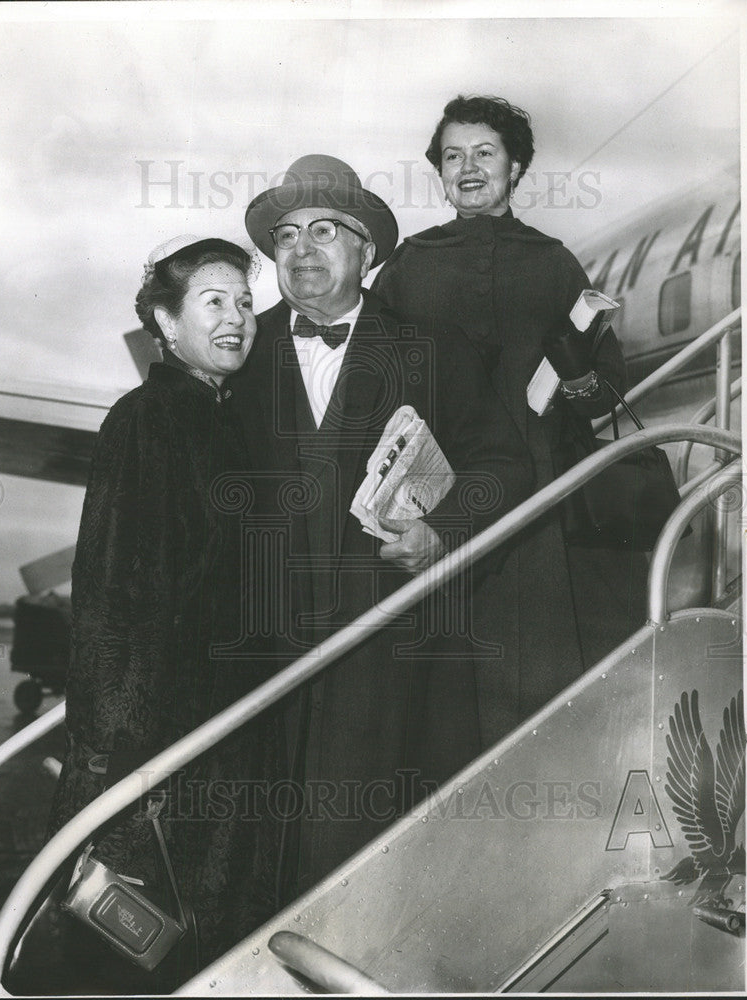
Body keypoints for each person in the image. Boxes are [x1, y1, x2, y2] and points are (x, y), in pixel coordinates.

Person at [238, 154, 533, 898]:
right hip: (258, 665)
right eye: (286, 235)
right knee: (255, 871)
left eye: (325, 231)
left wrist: (445, 531)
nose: (302, 250)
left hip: (392, 664)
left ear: (366, 250)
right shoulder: (237, 355)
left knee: (376, 879)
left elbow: (506, 462)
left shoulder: (432, 349)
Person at [21, 236, 283, 995]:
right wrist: (111, 767)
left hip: (222, 744)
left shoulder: (223, 419)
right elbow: (113, 602)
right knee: (145, 950)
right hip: (165, 752)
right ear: (164, 323)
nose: (235, 317)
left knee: (196, 947)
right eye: (213, 301)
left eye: (243, 302)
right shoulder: (146, 420)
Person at [373, 95, 648, 745]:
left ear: (516, 166)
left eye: (484, 153)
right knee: (442, 701)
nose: (467, 167)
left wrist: (575, 376)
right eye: (451, 156)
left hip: (542, 503)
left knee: (540, 694)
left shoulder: (553, 262)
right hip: (440, 494)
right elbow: (372, 380)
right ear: (438, 171)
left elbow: (603, 390)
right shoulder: (408, 265)